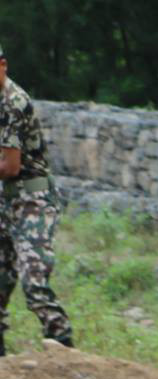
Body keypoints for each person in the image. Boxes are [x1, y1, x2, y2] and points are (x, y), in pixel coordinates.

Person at [0, 44, 72, 353]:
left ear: (2, 65)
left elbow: (10, 166)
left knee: (35, 283)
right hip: (9, 200)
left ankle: (63, 345)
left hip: (33, 200)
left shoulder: (12, 103)